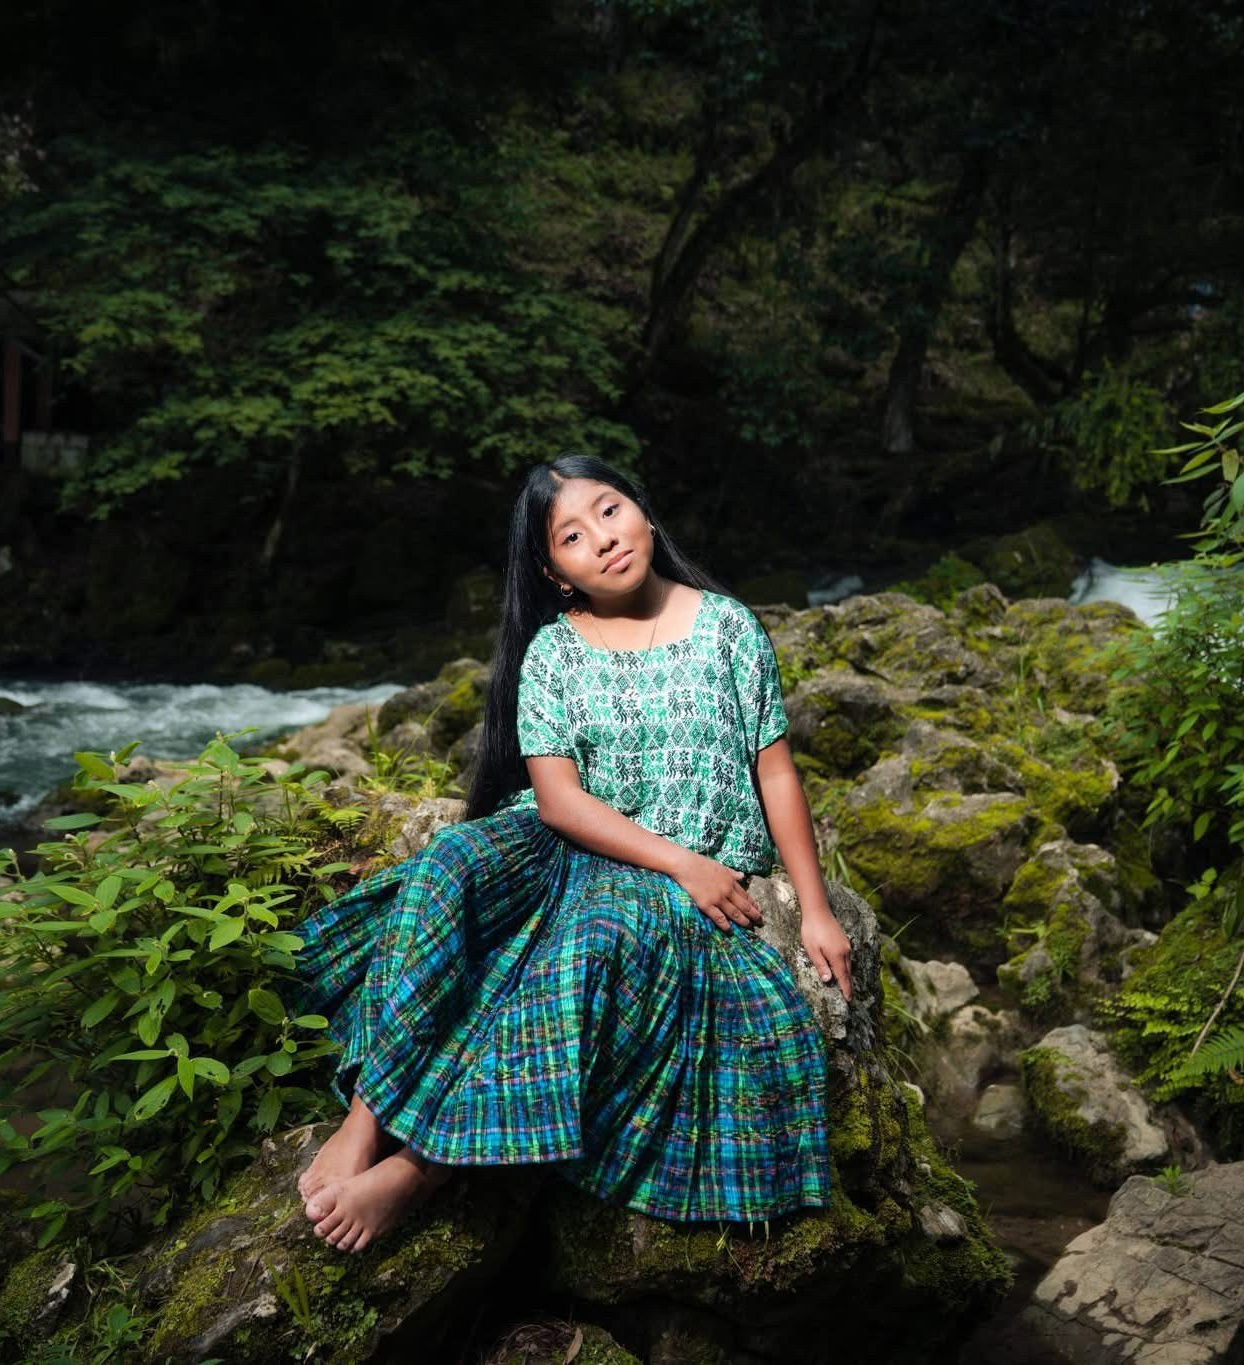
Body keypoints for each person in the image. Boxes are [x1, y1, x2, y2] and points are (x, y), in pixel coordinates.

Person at [291, 455, 854, 1254]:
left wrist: (816, 909)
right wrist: (676, 861)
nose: (604, 539)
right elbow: (556, 799)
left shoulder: (729, 627)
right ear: (554, 571)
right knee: (447, 867)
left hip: (661, 876)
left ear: (645, 513)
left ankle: (420, 1170)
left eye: (611, 510)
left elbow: (775, 771)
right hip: (563, 841)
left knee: (585, 951)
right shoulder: (553, 653)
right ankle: (364, 1118)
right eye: (573, 535)